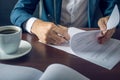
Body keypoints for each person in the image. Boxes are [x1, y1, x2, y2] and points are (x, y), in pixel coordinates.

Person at [10, 0, 116, 45]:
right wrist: (36, 25)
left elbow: (114, 10)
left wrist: (110, 21)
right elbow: (18, 12)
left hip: (89, 42)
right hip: (50, 43)